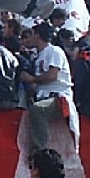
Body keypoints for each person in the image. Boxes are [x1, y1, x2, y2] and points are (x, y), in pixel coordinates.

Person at [19, 24, 77, 152]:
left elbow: (52, 76)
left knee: (38, 110)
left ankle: (39, 151)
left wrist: (31, 79)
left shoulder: (54, 51)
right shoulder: (38, 56)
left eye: (32, 34)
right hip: (43, 95)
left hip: (59, 97)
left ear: (37, 35)